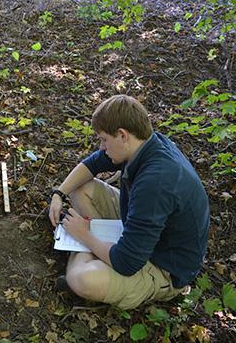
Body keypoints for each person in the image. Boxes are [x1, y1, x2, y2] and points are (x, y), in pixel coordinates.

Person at [48, 95, 209, 310]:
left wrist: (84, 236)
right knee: (80, 187)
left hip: (164, 267)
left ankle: (82, 254)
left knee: (80, 278)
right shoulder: (146, 144)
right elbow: (92, 164)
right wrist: (59, 193)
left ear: (122, 135)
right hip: (142, 229)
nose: (102, 147)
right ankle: (90, 250)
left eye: (104, 140)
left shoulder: (156, 182)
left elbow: (127, 262)